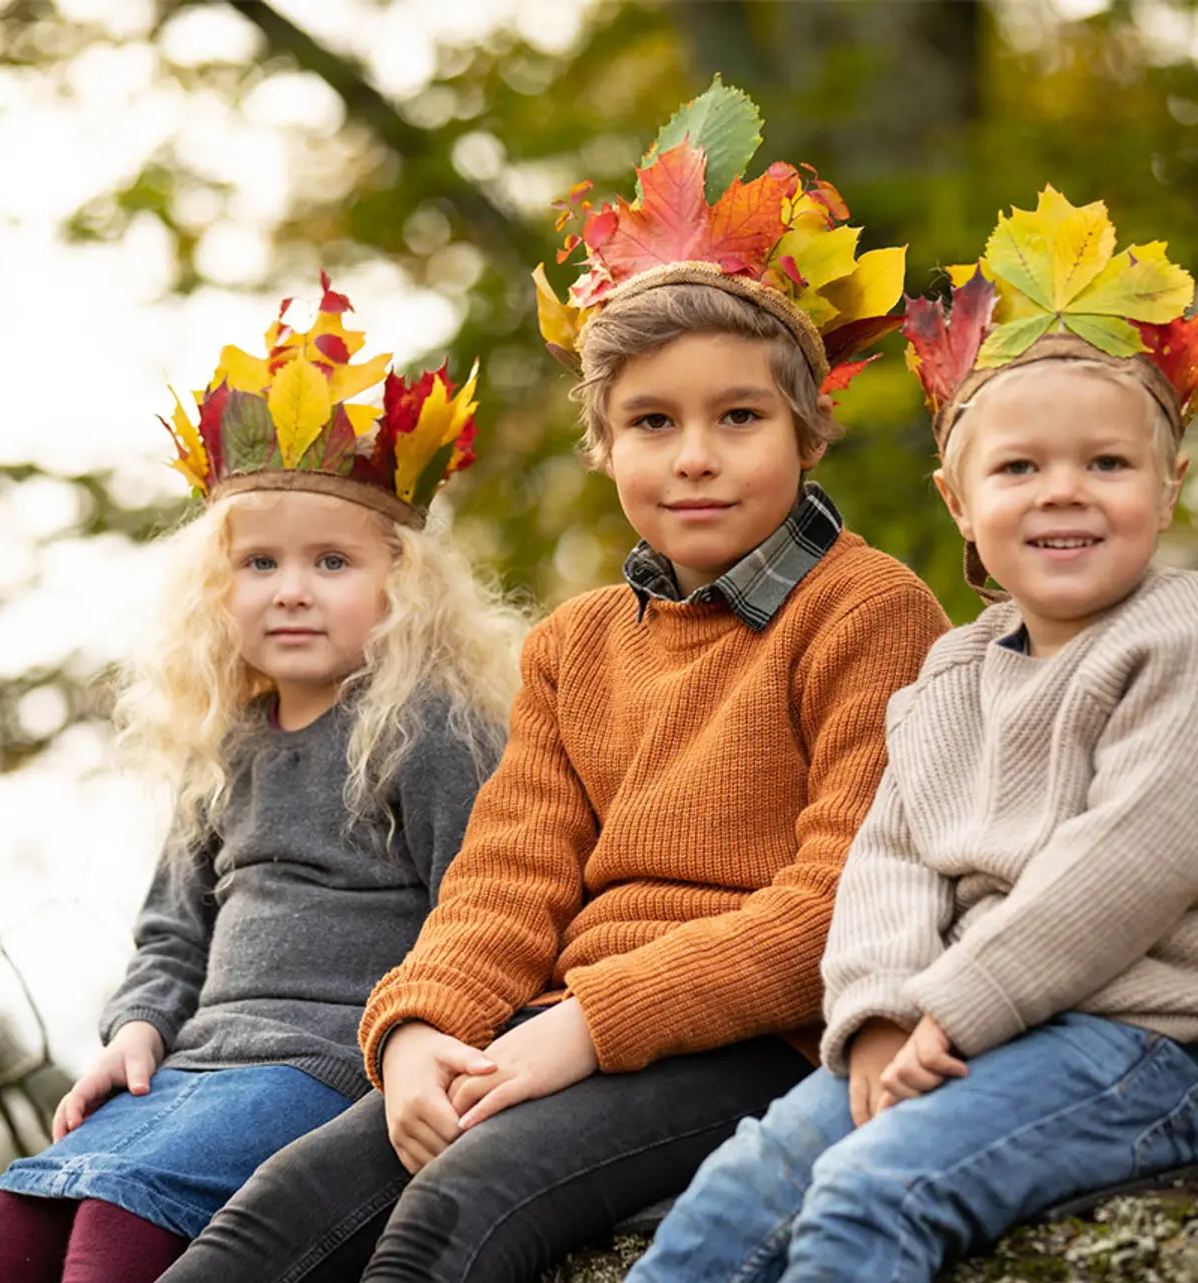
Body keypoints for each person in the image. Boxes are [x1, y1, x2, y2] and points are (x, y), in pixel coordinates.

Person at [159, 80, 949, 1283]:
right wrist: (421, 1026)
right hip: (560, 1026)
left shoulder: (868, 612)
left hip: (760, 1040)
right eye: (651, 423)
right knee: (271, 1217)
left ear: (804, 429)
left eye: (738, 416)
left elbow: (840, 903)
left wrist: (589, 1023)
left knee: (454, 1214)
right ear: (604, 443)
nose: (694, 456)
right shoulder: (577, 643)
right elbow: (506, 875)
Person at [627, 187, 1198, 1283]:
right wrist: (875, 1016)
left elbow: (1122, 870)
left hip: (1157, 1041)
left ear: (1168, 486)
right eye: (1018, 468)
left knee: (873, 1192)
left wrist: (951, 1011)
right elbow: (889, 862)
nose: (1063, 494)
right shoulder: (955, 668)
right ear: (958, 501)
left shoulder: (1197, 638)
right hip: (961, 1026)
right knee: (736, 1194)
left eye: (1107, 464)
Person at [0, 278, 527, 1283]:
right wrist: (136, 1028)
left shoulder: (426, 728)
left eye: (332, 562)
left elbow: (483, 911)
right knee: (18, 1208)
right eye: (259, 563)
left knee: (118, 1214)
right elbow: (173, 930)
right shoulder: (226, 743)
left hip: (329, 1066)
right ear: (217, 588)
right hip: (196, 1061)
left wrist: (426, 1048)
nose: (291, 589)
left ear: (401, 584)